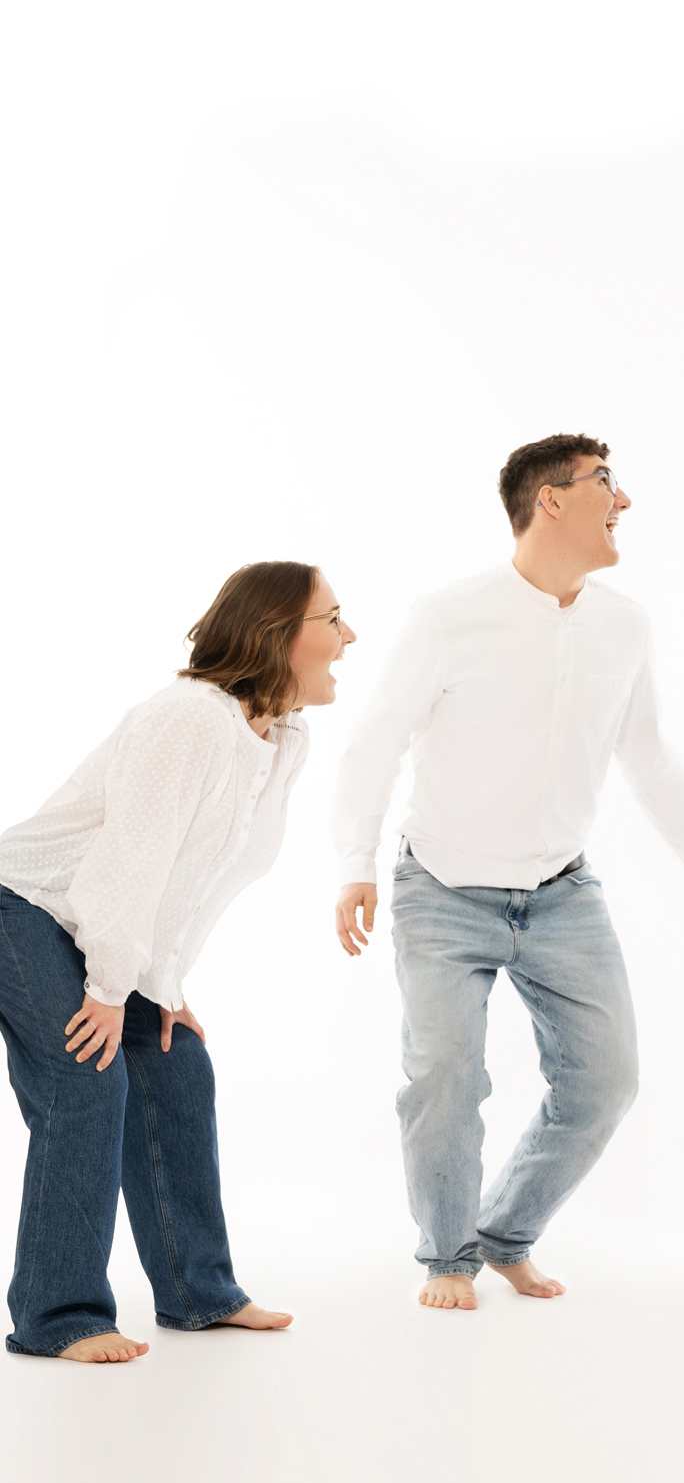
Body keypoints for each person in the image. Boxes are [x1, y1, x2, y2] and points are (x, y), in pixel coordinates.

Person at [333, 433, 684, 1313]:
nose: (625, 500)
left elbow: (649, 755)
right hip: (442, 892)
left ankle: (504, 1235)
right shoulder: (448, 618)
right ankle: (447, 1258)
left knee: (606, 1083)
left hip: (563, 894)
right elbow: (375, 742)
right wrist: (354, 865)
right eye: (607, 482)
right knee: (446, 1078)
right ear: (552, 501)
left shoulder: (625, 625)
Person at [0, 561, 354, 1362]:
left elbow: (197, 878)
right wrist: (109, 988)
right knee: (87, 1079)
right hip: (25, 907)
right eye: (334, 619)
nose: (350, 636)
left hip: (100, 925)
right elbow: (128, 864)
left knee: (178, 1066)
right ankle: (57, 1317)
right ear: (277, 634)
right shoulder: (189, 719)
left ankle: (200, 1294)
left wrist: (160, 984)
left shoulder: (283, 740)